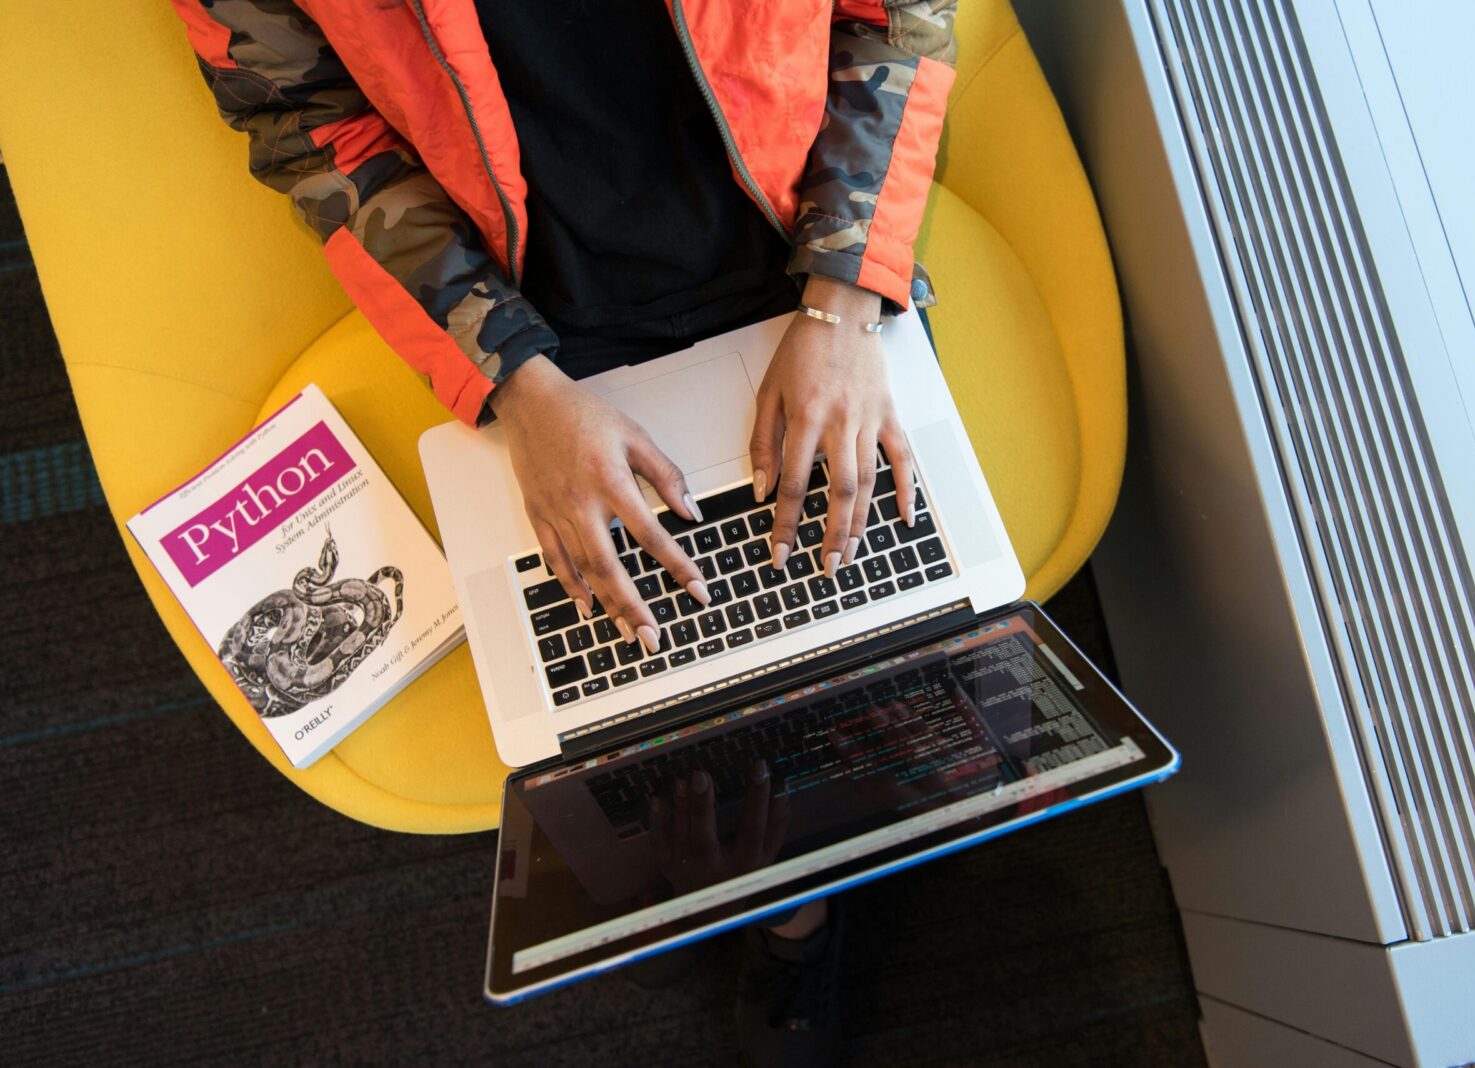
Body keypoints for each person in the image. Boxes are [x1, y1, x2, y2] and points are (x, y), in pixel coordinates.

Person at [171, 0, 958, 1061]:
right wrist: (518, 382)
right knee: (638, 670)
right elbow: (312, 128)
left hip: (799, 249)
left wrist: (843, 299)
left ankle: (791, 895)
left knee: (901, 609)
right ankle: (786, 909)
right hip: (540, 320)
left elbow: (898, 14)